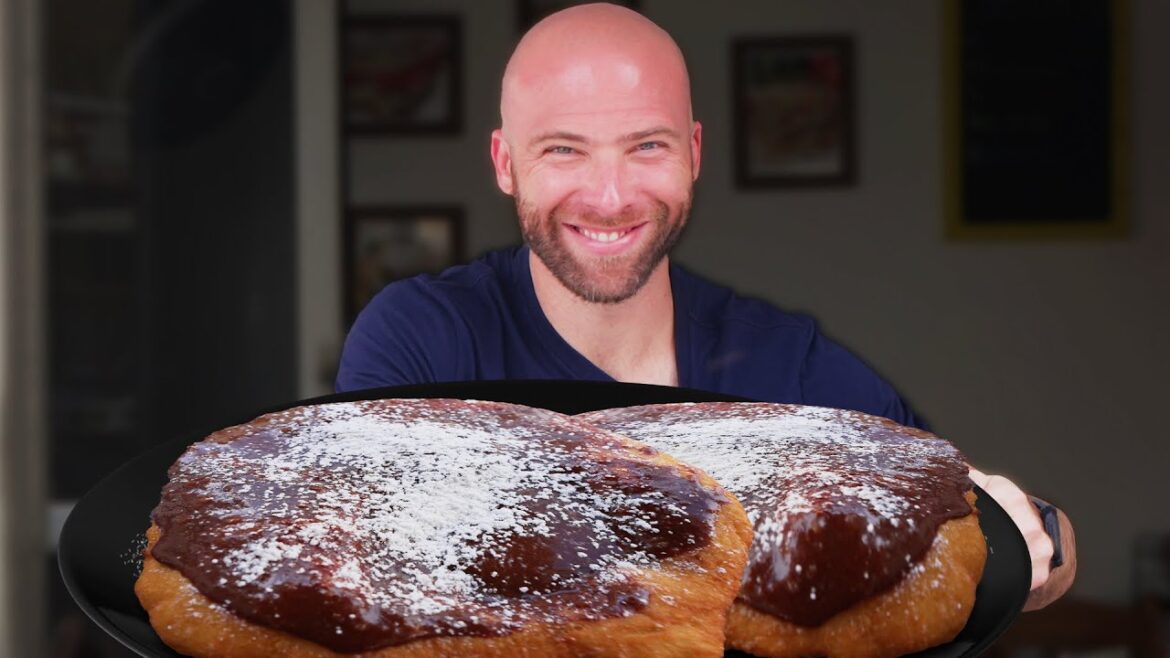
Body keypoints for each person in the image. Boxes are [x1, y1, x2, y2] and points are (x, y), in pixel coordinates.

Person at [336, 2, 1075, 611]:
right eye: (564, 150)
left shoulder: (787, 368)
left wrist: (1033, 536)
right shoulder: (423, 341)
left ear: (694, 151)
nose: (611, 196)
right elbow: (365, 573)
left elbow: (1013, 540)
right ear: (505, 163)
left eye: (646, 146)